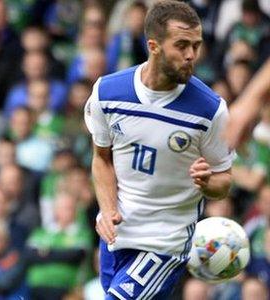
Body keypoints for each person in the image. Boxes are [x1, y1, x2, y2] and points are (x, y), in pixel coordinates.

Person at [84, 1, 234, 299]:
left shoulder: (210, 110)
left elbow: (224, 180)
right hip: (118, 236)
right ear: (154, 46)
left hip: (166, 241)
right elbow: (102, 158)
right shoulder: (108, 93)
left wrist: (208, 182)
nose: (191, 55)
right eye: (181, 45)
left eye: (196, 45)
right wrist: (108, 207)